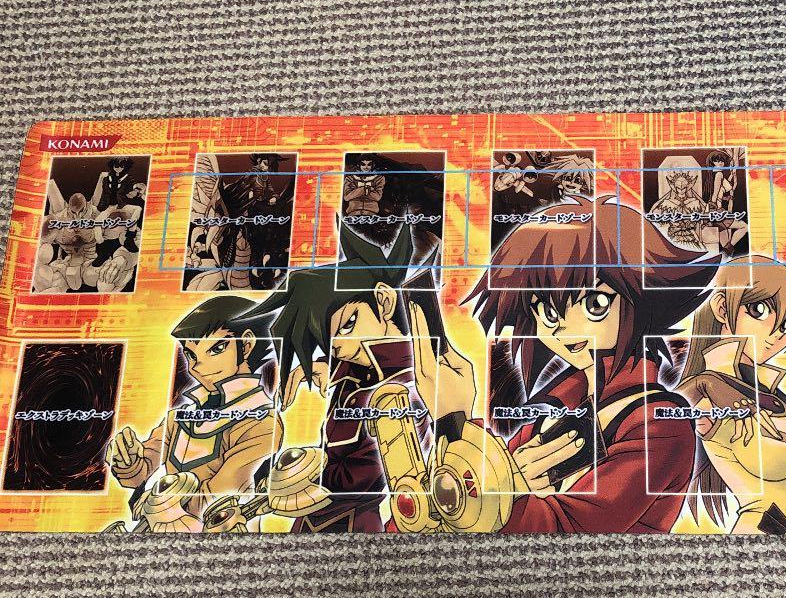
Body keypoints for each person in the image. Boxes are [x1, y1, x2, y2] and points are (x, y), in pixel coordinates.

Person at [410, 195, 718, 532]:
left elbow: (567, 531)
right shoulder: (548, 415)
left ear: (640, 300)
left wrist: (455, 421)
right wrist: (457, 426)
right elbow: (461, 505)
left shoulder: (659, 424)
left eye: (595, 304)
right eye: (547, 309)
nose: (563, 327)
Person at [238, 223, 425, 532]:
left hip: (354, 524)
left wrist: (297, 473)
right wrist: (310, 368)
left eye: (348, 324)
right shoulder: (347, 369)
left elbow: (367, 473)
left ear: (384, 301)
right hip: (310, 520)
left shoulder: (408, 382)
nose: (340, 346)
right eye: (329, 341)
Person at [677, 256, 786, 533]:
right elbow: (660, 411)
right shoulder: (708, 394)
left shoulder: (783, 401)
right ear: (723, 308)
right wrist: (704, 384)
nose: (775, 334)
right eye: (759, 310)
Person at [107, 295, 282, 531]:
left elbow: (222, 496)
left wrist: (159, 503)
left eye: (216, 349)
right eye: (191, 355)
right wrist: (128, 459)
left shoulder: (261, 421)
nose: (197, 367)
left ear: (247, 344)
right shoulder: (179, 417)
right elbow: (141, 471)